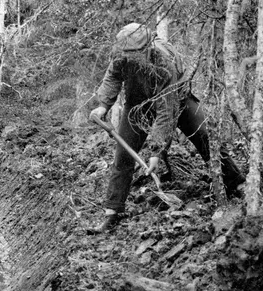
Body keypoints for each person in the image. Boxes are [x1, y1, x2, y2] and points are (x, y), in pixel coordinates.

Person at [87, 22, 245, 234]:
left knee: (205, 136)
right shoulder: (120, 54)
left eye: (135, 53)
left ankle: (237, 184)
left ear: (146, 48)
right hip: (137, 105)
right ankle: (112, 212)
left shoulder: (163, 63)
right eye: (127, 53)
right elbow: (112, 78)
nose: (130, 57)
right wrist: (102, 106)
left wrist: (156, 152)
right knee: (123, 155)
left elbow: (166, 113)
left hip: (176, 100)